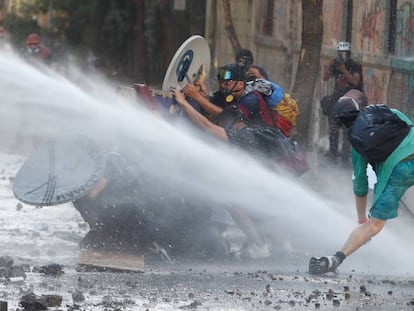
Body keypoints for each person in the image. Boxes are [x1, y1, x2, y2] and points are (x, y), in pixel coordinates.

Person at [309, 98, 414, 275]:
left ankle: (335, 259)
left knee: (375, 225)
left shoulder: (358, 143)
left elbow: (360, 184)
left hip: (398, 171)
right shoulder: (389, 112)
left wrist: (361, 220)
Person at [321, 41, 363, 164]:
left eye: (345, 53)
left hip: (351, 100)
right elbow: (325, 78)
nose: (343, 56)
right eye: (341, 53)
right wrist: (330, 67)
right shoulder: (336, 65)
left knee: (347, 130)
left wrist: (344, 70)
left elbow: (355, 82)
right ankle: (333, 155)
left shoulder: (354, 65)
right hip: (337, 100)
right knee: (333, 128)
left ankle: (345, 157)